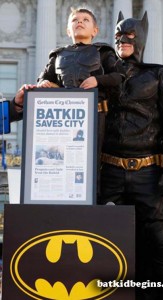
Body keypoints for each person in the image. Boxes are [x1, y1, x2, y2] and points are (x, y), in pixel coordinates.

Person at [99, 11, 163, 300]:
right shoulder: (102, 76)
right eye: (118, 36)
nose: (123, 40)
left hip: (148, 173)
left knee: (161, 240)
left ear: (141, 37)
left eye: (130, 35)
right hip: (111, 171)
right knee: (105, 236)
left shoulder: (160, 75)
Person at [37, 7, 123, 194]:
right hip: (64, 120)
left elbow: (119, 77)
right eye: (75, 20)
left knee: (94, 164)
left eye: (85, 20)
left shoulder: (103, 53)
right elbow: (43, 80)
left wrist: (97, 80)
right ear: (68, 30)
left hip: (96, 117)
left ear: (95, 30)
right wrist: (44, 83)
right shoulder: (58, 56)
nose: (80, 22)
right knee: (62, 163)